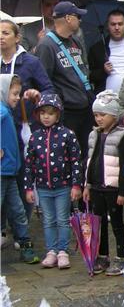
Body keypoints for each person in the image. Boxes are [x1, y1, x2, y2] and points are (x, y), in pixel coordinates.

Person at [0, 19, 54, 224]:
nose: (1, 37)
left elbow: (49, 89)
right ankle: (3, 225)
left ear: (17, 37)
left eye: (6, 32)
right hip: (2, 128)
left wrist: (36, 94)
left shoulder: (30, 62)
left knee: (24, 173)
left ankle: (21, 222)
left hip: (25, 126)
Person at [23, 94, 83, 269]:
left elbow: (76, 161)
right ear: (38, 115)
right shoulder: (35, 137)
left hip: (63, 186)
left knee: (63, 219)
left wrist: (76, 184)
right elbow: (29, 164)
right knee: (48, 219)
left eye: (50, 113)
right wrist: (28, 188)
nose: (46, 117)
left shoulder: (67, 135)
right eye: (43, 113)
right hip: (43, 187)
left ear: (58, 114)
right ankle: (52, 250)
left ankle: (63, 251)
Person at [82, 90, 124, 276]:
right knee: (98, 222)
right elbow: (89, 160)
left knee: (117, 222)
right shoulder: (93, 135)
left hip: (113, 187)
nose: (99, 119)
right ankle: (102, 255)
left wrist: (123, 191)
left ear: (114, 115)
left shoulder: (123, 135)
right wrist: (87, 185)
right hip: (96, 186)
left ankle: (122, 256)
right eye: (96, 115)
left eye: (103, 115)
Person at [35, 1, 94, 157]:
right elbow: (43, 80)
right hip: (67, 112)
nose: (80, 20)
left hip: (84, 107)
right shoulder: (46, 45)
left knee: (84, 153)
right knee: (68, 155)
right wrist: (59, 102)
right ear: (68, 18)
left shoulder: (76, 41)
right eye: (77, 16)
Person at [0, 74, 38, 263]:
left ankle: (25, 244)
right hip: (2, 173)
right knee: (16, 211)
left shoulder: (6, 111)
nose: (17, 97)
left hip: (9, 173)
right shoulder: (2, 112)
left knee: (18, 211)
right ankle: (24, 245)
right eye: (14, 93)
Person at [88, 10, 124, 94]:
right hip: (106, 99)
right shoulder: (97, 49)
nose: (117, 27)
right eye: (113, 24)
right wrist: (103, 71)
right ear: (107, 26)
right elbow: (90, 76)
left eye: (120, 24)